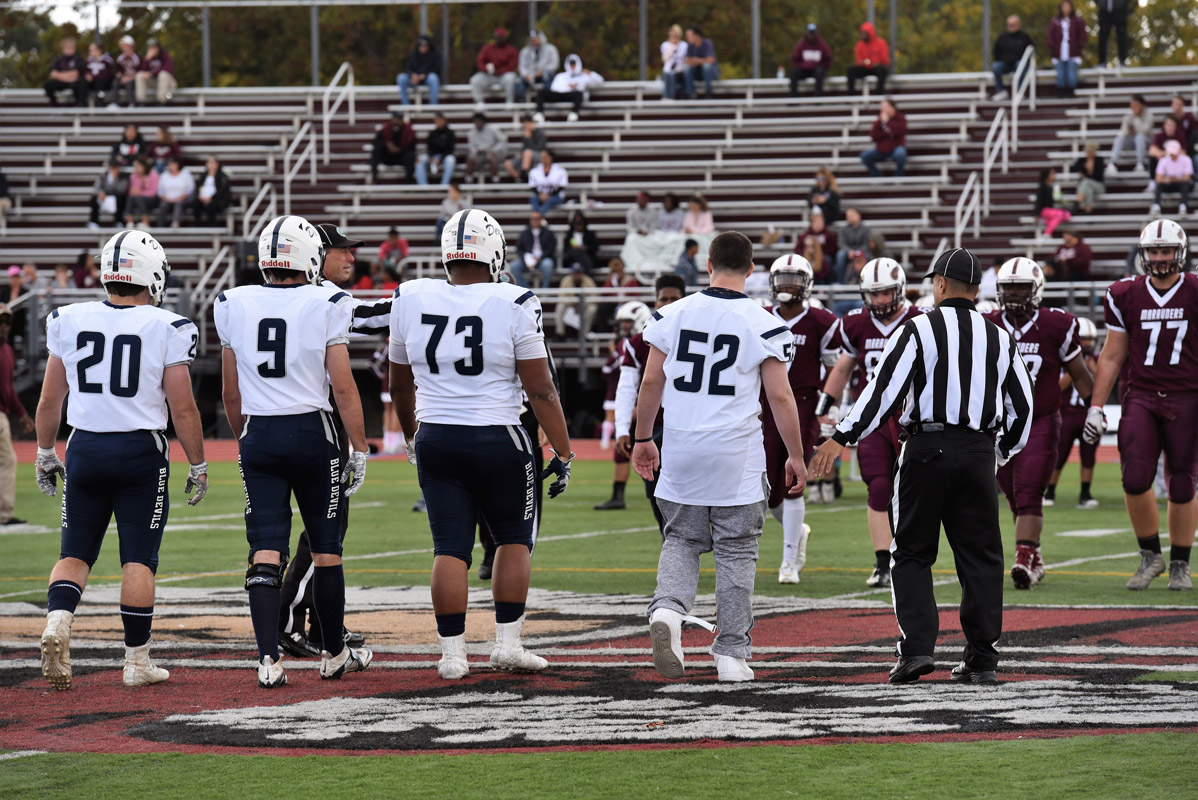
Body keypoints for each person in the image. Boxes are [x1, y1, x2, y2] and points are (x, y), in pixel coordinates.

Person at [811, 247, 1033, 684]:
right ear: (976, 290)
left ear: (941, 285)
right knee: (982, 557)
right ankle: (982, 657)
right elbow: (1021, 408)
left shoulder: (918, 329)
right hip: (977, 450)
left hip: (926, 448)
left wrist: (840, 438)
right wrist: (999, 452)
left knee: (910, 551)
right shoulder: (1000, 336)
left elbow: (882, 393)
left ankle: (916, 651)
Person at [388, 207, 573, 680]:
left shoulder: (411, 295)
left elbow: (399, 383)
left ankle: (452, 655)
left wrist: (412, 436)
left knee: (449, 547)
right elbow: (542, 390)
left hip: (436, 436)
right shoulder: (514, 300)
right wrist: (565, 449)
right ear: (493, 253)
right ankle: (507, 645)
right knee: (513, 538)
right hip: (498, 437)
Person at [34, 230, 208, 691]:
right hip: (138, 453)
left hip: (85, 446)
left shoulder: (67, 318)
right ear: (148, 273)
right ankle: (136, 661)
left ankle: (58, 622)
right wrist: (198, 463)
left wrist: (45, 451)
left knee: (74, 553)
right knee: (138, 559)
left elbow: (51, 399)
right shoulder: (167, 325)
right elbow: (183, 407)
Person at [635, 231, 806, 683]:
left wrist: (641, 438)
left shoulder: (671, 314)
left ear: (708, 264)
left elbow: (651, 383)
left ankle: (669, 611)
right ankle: (731, 654)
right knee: (736, 552)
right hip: (736, 456)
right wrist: (795, 456)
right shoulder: (763, 322)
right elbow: (781, 398)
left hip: (683, 448)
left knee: (682, 540)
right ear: (752, 270)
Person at [215, 214, 371, 688]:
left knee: (264, 550)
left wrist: (248, 436)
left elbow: (230, 392)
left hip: (259, 433)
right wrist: (359, 447)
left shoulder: (232, 302)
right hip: (312, 433)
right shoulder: (328, 300)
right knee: (327, 550)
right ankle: (333, 653)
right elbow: (343, 387)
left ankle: (268, 661)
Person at [278, 223, 388, 659]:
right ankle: (288, 619)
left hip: (277, 419)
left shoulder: (276, 295)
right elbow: (371, 319)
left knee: (322, 529)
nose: (351, 257)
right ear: (313, 254)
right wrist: (420, 302)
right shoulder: (322, 297)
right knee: (327, 529)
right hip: (313, 421)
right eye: (341, 250)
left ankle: (324, 624)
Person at [1084, 219, 1195, 591]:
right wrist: (1096, 406)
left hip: (1187, 394)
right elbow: (1113, 355)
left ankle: (1181, 561)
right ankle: (1151, 555)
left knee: (1182, 483)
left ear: (1179, 253)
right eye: (1154, 251)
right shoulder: (1124, 293)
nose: (1160, 258)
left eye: (1166, 251)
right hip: (1142, 395)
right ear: (1143, 254)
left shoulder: (1194, 289)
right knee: (1133, 478)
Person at [984, 258, 1092, 590]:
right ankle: (1035, 556)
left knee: (1030, 491)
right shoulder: (985, 323)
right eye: (1008, 288)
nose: (1015, 295)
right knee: (1013, 494)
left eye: (1021, 288)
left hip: (1040, 420)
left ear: (1037, 290)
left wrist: (1096, 407)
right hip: (998, 425)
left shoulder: (1055, 324)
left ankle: (1022, 557)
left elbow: (1080, 375)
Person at [816, 258, 922, 587]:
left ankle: (910, 556)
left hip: (910, 417)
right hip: (872, 418)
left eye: (885, 293)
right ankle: (882, 563)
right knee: (877, 487)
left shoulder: (921, 320)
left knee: (913, 492)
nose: (879, 301)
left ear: (900, 289)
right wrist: (826, 406)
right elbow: (845, 367)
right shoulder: (857, 324)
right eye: (873, 294)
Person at [763, 255, 842, 584]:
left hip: (805, 406)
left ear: (807, 284)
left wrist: (832, 409)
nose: (788, 286)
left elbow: (838, 368)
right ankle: (798, 534)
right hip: (764, 406)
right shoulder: (760, 316)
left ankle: (789, 560)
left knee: (795, 480)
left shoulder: (822, 321)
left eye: (795, 279)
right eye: (783, 279)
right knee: (766, 488)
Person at [612, 274, 686, 533]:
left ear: (683, 300)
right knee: (655, 494)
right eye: (663, 299)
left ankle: (682, 548)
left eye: (673, 299)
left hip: (691, 427)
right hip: (654, 430)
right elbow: (626, 388)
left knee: (689, 496)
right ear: (654, 302)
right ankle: (671, 547)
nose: (667, 303)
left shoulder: (696, 334)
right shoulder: (638, 342)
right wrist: (622, 429)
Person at [1047, 316, 1101, 508]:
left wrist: (1094, 371)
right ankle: (1050, 492)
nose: (1087, 343)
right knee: (1059, 456)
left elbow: (1104, 387)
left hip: (1088, 415)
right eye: (1083, 339)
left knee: (1089, 456)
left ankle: (1085, 494)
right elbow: (1058, 387)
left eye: (1089, 339)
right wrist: (1076, 371)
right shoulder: (1066, 359)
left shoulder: (1097, 360)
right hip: (1067, 414)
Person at [0, 305, 33, 526]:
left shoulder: (8, 351)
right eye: (0, 322)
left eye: (7, 322)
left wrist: (22, 414)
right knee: (7, 460)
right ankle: (3, 514)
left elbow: (9, 389)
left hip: (2, 412)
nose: (4, 326)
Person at [535, 54, 604, 123]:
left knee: (579, 94)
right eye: (571, 64)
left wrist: (590, 73)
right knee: (541, 92)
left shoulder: (583, 76)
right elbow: (554, 88)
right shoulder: (561, 75)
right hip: (559, 95)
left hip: (573, 96)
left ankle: (573, 113)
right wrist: (568, 86)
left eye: (574, 64)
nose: (572, 66)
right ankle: (539, 114)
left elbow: (600, 81)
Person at [469, 28, 520, 107]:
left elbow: (512, 65)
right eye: (496, 37)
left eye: (500, 37)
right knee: (475, 80)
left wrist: (499, 71)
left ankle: (509, 102)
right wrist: (486, 69)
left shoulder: (511, 50)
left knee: (511, 78)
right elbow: (480, 61)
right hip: (489, 74)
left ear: (505, 38)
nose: (498, 39)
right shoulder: (488, 48)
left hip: (503, 75)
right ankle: (479, 102)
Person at [1047, 0, 1086, 98]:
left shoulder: (1078, 20)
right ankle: (1061, 93)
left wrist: (1078, 46)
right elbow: (1049, 36)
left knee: (1071, 74)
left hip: (1073, 53)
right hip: (1059, 53)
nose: (1066, 9)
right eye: (1064, 6)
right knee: (1060, 75)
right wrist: (1052, 46)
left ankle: (1071, 93)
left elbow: (1083, 35)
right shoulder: (1055, 21)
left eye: (1067, 6)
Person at [860, 98, 907, 178]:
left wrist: (887, 122)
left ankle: (899, 176)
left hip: (896, 148)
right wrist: (888, 133)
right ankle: (878, 177)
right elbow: (873, 135)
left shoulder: (901, 118)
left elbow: (899, 132)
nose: (882, 109)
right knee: (865, 155)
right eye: (882, 107)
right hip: (882, 149)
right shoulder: (879, 120)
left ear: (892, 107)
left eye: (885, 107)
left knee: (901, 153)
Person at [1107, 95, 1153, 174]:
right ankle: (1113, 163)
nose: (1133, 108)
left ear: (1141, 105)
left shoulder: (1149, 115)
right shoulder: (1128, 115)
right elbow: (1123, 130)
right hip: (1131, 141)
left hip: (1146, 142)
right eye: (1132, 105)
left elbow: (1145, 131)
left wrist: (1136, 119)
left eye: (1136, 105)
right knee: (1120, 137)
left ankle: (1140, 164)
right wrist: (1128, 132)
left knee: (1140, 137)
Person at [991, 15, 1033, 100]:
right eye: (1009, 25)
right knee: (996, 66)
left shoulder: (1024, 37)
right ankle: (1001, 91)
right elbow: (996, 52)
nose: (1011, 27)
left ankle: (1019, 92)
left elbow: (1031, 50)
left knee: (1020, 65)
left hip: (1018, 63)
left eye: (1013, 25)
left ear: (1019, 25)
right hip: (1005, 64)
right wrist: (1003, 59)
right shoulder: (1002, 37)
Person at [370, 111, 417, 184]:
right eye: (396, 118)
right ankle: (374, 178)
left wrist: (399, 150)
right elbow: (375, 142)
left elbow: (412, 146)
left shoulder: (409, 130)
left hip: (401, 157)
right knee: (376, 151)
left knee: (411, 156)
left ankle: (408, 182)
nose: (398, 120)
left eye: (400, 118)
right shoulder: (386, 128)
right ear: (393, 119)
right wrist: (387, 144)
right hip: (387, 156)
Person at [514, 211, 556, 289]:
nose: (535, 221)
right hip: (527, 260)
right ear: (530, 220)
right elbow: (519, 248)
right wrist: (526, 259)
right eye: (533, 219)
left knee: (548, 265)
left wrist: (540, 258)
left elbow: (551, 248)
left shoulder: (548, 232)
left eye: (537, 219)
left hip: (543, 259)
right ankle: (525, 290)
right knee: (513, 266)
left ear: (541, 220)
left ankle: (544, 290)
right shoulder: (525, 233)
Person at [1150, 140, 1192, 216]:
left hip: (1181, 183)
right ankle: (1156, 205)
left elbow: (1187, 177)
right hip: (1168, 183)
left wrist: (1175, 179)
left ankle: (1183, 206)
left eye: (1174, 154)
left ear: (1179, 152)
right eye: (1171, 154)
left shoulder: (1186, 159)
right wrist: (1165, 179)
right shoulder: (1163, 160)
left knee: (1186, 184)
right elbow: (1157, 178)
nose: (1172, 156)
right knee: (1158, 185)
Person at [397, 35, 442, 106]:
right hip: (413, 80)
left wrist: (424, 76)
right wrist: (412, 75)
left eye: (424, 46)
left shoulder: (435, 55)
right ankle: (405, 106)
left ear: (429, 46)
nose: (422, 47)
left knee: (433, 78)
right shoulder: (413, 54)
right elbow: (408, 68)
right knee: (401, 77)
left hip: (427, 80)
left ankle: (433, 106)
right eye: (420, 45)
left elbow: (437, 69)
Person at [790, 24, 832, 98]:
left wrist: (821, 66)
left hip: (817, 70)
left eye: (813, 33)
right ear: (806, 33)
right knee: (793, 72)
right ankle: (794, 98)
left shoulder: (822, 45)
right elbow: (795, 59)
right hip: (804, 70)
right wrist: (803, 66)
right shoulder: (801, 45)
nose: (812, 35)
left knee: (820, 72)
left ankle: (817, 98)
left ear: (817, 33)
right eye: (810, 33)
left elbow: (828, 60)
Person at [846, 22, 890, 95]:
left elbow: (884, 59)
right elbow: (859, 61)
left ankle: (879, 93)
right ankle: (851, 95)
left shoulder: (881, 43)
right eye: (861, 33)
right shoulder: (859, 45)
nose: (862, 35)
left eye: (864, 33)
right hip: (865, 68)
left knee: (882, 70)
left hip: (877, 67)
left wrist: (874, 63)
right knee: (851, 70)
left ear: (869, 33)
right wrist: (865, 63)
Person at [415, 112, 457, 186]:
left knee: (451, 160)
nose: (438, 122)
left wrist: (440, 158)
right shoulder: (432, 133)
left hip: (445, 157)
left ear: (444, 120)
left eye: (440, 120)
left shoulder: (450, 133)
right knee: (419, 160)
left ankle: (444, 185)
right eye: (436, 120)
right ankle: (423, 186)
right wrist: (431, 157)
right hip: (433, 156)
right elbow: (429, 147)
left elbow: (451, 149)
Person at [44, 36, 86, 107]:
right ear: (63, 48)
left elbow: (76, 74)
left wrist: (60, 75)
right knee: (47, 85)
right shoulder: (58, 59)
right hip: (63, 82)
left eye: (71, 47)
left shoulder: (78, 59)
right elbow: (53, 74)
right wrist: (68, 77)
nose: (69, 49)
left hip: (74, 83)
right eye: (67, 47)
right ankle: (55, 106)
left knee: (82, 84)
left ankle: (79, 106)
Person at [835, 208, 876, 282]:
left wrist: (859, 252)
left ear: (858, 216)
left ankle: (869, 279)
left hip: (863, 251)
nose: (849, 217)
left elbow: (867, 244)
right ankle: (840, 282)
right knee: (840, 255)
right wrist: (850, 251)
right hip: (848, 253)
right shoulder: (843, 230)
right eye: (848, 216)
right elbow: (841, 244)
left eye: (852, 215)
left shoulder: (866, 229)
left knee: (868, 256)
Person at [518, 29, 559, 101]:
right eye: (532, 39)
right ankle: (521, 101)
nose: (534, 41)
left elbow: (555, 64)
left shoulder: (551, 49)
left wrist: (542, 71)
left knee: (548, 76)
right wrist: (526, 75)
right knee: (519, 81)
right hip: (530, 76)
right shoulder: (525, 51)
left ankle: (548, 99)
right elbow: (521, 66)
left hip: (545, 74)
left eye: (536, 39)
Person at [503, 116, 547, 181]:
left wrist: (529, 138)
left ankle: (524, 175)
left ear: (531, 123)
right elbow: (524, 147)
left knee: (527, 153)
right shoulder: (526, 134)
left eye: (527, 124)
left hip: (538, 155)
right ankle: (519, 178)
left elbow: (539, 148)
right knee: (508, 163)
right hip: (526, 156)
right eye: (524, 125)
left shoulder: (540, 133)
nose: (526, 127)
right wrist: (520, 154)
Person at [465, 112, 506, 183]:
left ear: (483, 122)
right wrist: (477, 150)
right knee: (470, 159)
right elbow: (471, 147)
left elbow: (502, 141)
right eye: (475, 122)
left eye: (479, 122)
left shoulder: (493, 129)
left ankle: (495, 180)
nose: (477, 124)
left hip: (492, 152)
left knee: (491, 157)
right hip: (479, 155)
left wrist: (494, 150)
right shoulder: (471, 133)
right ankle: (468, 180)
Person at [192, 155, 232, 227]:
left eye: (213, 162)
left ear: (217, 164)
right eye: (209, 162)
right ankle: (196, 223)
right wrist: (200, 196)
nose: (211, 164)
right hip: (203, 198)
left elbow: (223, 191)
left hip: (216, 199)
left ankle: (212, 224)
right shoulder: (203, 176)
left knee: (212, 205)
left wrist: (211, 198)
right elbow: (198, 187)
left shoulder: (222, 176)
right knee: (195, 203)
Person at [88, 160, 128, 231]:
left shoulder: (123, 176)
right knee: (94, 198)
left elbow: (122, 189)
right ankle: (94, 221)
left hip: (116, 198)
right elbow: (96, 187)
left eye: (115, 168)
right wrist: (101, 192)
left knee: (121, 198)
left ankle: (119, 221)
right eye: (112, 167)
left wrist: (114, 179)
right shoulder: (103, 176)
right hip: (105, 198)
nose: (114, 170)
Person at [135, 38, 176, 106]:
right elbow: (142, 70)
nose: (151, 49)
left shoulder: (165, 55)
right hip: (155, 83)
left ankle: (160, 102)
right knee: (139, 75)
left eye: (153, 47)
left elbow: (168, 68)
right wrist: (147, 59)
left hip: (169, 83)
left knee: (163, 74)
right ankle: (141, 102)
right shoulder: (148, 57)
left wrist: (152, 73)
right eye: (150, 48)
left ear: (158, 47)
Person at [155, 157, 194, 228]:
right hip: (167, 198)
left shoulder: (185, 174)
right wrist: (165, 198)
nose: (170, 166)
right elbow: (159, 190)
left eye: (172, 164)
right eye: (169, 164)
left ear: (178, 165)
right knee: (163, 205)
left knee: (179, 203)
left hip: (182, 198)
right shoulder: (164, 175)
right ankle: (160, 225)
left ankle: (175, 223)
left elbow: (190, 189)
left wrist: (181, 197)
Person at [682, 26, 719, 99]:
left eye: (689, 36)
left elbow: (710, 60)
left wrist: (696, 60)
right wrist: (702, 61)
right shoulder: (690, 46)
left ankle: (709, 93)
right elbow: (687, 61)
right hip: (698, 73)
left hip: (711, 73)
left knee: (706, 67)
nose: (687, 38)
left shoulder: (707, 43)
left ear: (697, 36)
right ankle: (690, 94)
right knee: (687, 69)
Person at [528, 149, 568, 215]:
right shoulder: (535, 170)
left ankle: (538, 215)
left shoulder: (560, 170)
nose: (543, 159)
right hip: (540, 195)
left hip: (556, 196)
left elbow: (562, 186)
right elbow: (532, 186)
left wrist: (548, 195)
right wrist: (541, 195)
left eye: (545, 157)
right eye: (542, 157)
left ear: (551, 157)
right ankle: (538, 216)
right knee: (534, 199)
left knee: (550, 200)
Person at [1035, 167, 1072, 237]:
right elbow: (1038, 201)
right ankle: (1047, 233)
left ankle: (1047, 222)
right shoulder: (1042, 188)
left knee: (1067, 215)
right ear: (1047, 176)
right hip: (1044, 210)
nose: (1054, 175)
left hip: (1050, 211)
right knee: (1059, 214)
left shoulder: (1052, 187)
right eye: (1053, 174)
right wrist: (1036, 214)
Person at [1073, 141, 1105, 213]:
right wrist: (1083, 167)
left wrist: (1088, 173)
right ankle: (1088, 213)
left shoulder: (1099, 160)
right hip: (1088, 186)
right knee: (1089, 190)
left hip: (1098, 186)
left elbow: (1099, 176)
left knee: (1086, 181)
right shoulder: (1082, 160)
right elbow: (1073, 168)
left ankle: (1077, 202)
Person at [1096, 0, 1130, 69]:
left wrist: (1122, 3)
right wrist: (1101, 3)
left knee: (1121, 36)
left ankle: (1122, 62)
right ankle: (1102, 62)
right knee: (1102, 36)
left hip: (1120, 10)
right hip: (1104, 10)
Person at [125, 157, 158, 228]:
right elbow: (132, 191)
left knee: (139, 198)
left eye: (137, 166)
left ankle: (146, 222)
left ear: (143, 166)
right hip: (138, 199)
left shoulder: (153, 174)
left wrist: (139, 193)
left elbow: (153, 192)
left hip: (152, 200)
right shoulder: (133, 176)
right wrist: (135, 192)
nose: (136, 168)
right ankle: (130, 221)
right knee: (130, 197)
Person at [660, 24, 689, 101]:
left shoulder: (684, 45)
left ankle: (671, 96)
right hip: (668, 70)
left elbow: (683, 58)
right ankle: (666, 96)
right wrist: (672, 47)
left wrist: (677, 45)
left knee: (672, 74)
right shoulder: (665, 45)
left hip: (680, 71)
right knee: (668, 73)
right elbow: (665, 59)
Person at [113, 35, 139, 108]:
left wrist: (130, 77)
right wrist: (120, 76)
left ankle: (132, 103)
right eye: (123, 46)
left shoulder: (137, 57)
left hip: (133, 79)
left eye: (126, 46)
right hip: (123, 79)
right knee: (115, 82)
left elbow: (140, 71)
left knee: (129, 83)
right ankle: (115, 103)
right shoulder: (120, 58)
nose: (124, 48)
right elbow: (118, 71)